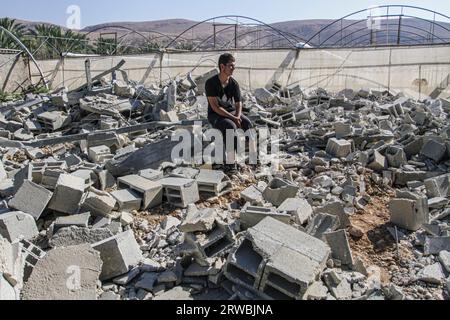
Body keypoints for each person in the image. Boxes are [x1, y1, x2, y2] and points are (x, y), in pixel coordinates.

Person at [205, 53, 253, 170]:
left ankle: (253, 157)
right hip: (215, 114)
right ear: (222, 67)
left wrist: (237, 116)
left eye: (234, 66)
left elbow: (238, 103)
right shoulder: (211, 83)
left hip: (230, 112)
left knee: (247, 123)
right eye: (230, 66)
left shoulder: (233, 83)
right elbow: (215, 107)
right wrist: (234, 119)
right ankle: (231, 163)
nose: (233, 68)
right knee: (230, 127)